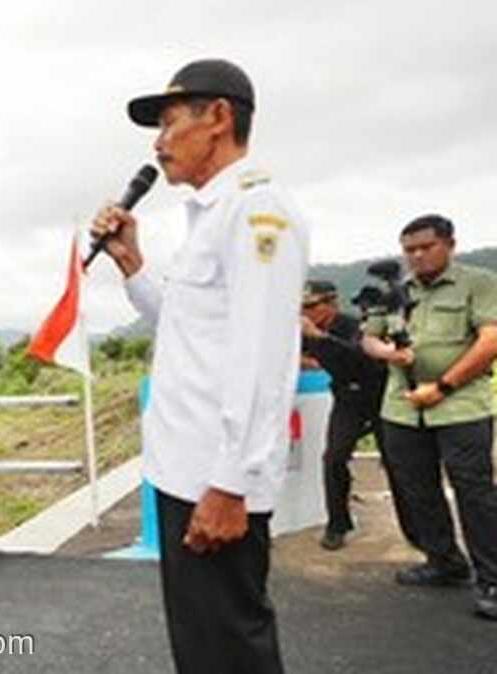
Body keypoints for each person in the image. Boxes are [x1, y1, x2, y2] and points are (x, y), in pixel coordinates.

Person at [91, 59, 309, 673]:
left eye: (167, 123)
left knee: (229, 649)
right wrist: (133, 264)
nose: (158, 143)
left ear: (217, 118)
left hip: (217, 479)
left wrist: (232, 483)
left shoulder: (258, 211)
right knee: (203, 646)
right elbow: (190, 329)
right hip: (188, 472)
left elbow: (264, 355)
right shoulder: (212, 218)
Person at [360, 214, 497, 620]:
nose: (417, 255)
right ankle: (444, 561)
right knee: (416, 487)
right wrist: (387, 352)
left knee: (474, 491)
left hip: (459, 404)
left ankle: (492, 577)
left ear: (449, 245)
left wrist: (442, 387)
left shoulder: (478, 282)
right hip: (401, 407)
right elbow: (368, 336)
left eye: (425, 247)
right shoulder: (396, 291)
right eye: (409, 250)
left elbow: (490, 340)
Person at [300, 280, 414, 551]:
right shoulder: (304, 330)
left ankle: (415, 528)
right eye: (301, 307)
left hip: (378, 395)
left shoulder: (351, 325)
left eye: (311, 306)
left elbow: (360, 357)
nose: (305, 312)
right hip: (347, 399)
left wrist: (321, 339)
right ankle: (337, 524)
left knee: (396, 463)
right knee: (334, 458)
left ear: (331, 304)